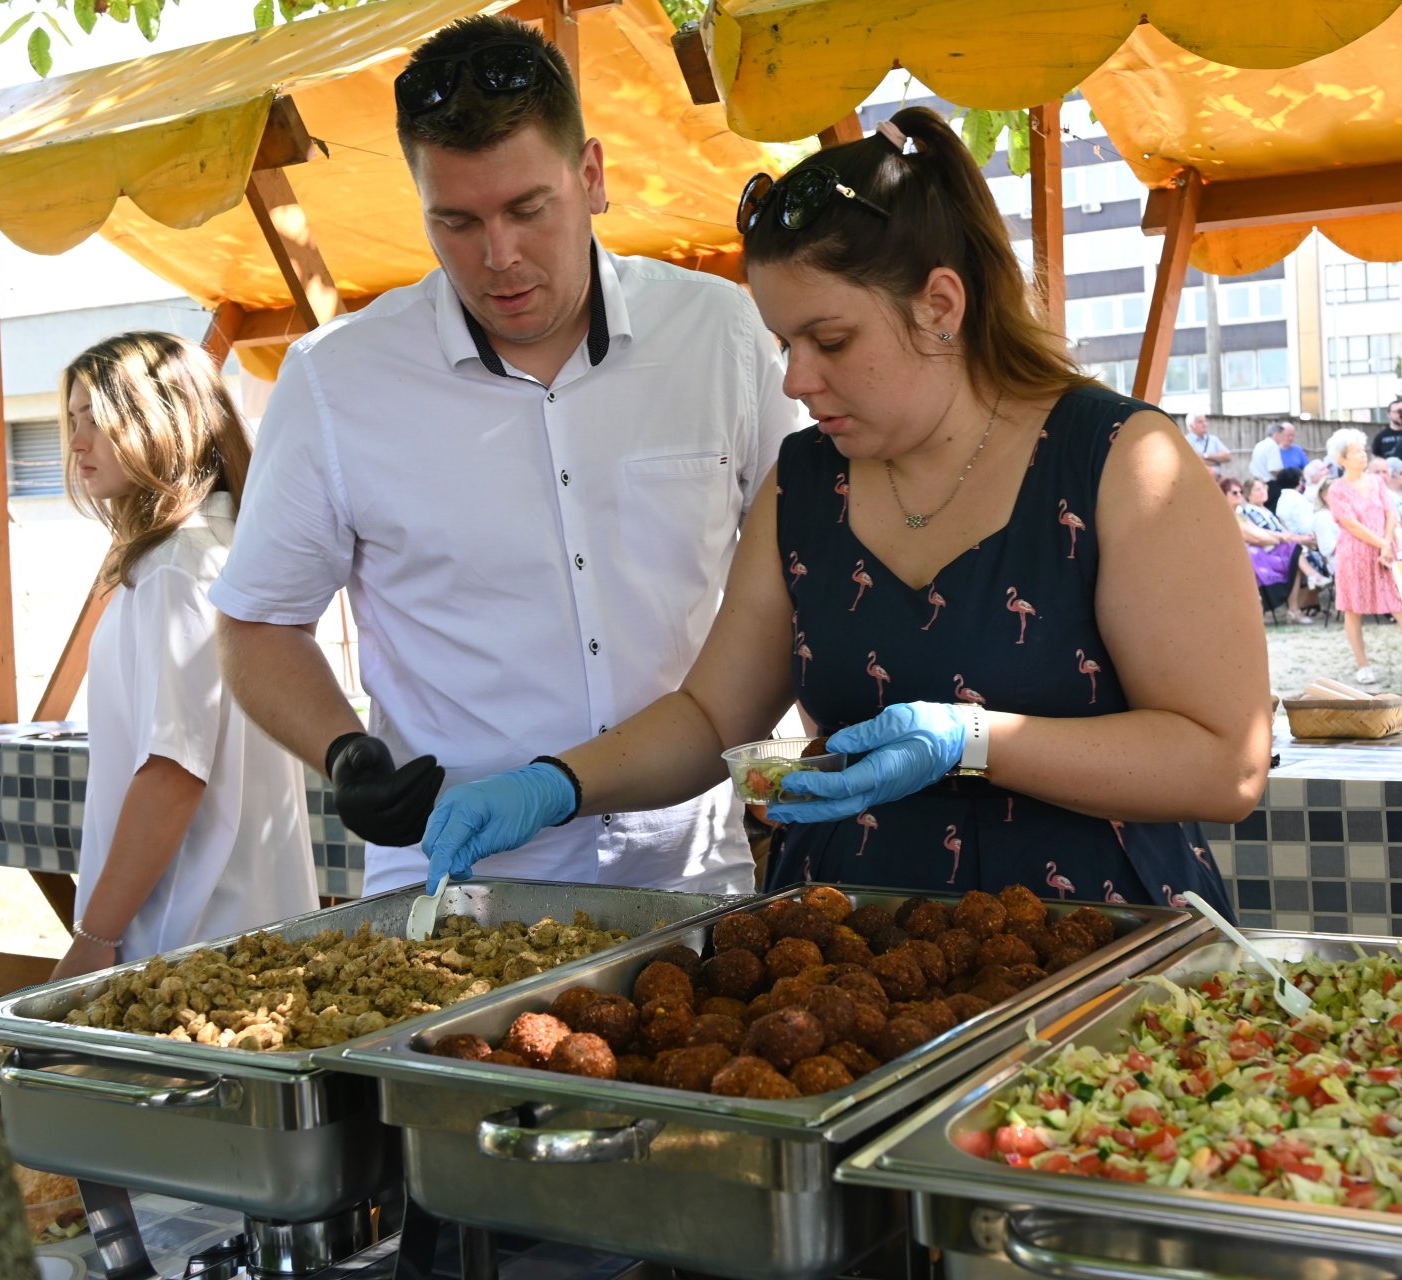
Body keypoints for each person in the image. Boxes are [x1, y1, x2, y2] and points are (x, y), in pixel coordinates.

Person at [414, 107, 1270, 909]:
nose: (795, 379)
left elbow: (1224, 766)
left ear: (940, 306)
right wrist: (558, 783)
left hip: (1097, 948)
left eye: (830, 341)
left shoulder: (1122, 462)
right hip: (846, 953)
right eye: (784, 344)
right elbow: (713, 716)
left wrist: (975, 742)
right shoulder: (805, 483)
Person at [207, 16, 801, 896]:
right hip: (452, 891)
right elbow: (257, 622)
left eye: (529, 209)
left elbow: (808, 569)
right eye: (456, 222)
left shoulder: (726, 335)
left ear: (590, 176)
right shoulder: (338, 378)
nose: (499, 257)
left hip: (685, 874)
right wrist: (344, 752)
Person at [52, 332, 317, 981]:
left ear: (161, 423)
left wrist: (93, 935)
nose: (77, 441)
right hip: (242, 928)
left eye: (99, 419)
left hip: (187, 938)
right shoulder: (226, 548)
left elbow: (174, 771)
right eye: (73, 420)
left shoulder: (177, 565)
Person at [1323, 429, 1402, 686]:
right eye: (1356, 452)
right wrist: (1382, 543)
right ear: (1342, 459)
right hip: (1355, 555)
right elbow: (1351, 524)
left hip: (1385, 553)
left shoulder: (1377, 482)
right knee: (1353, 609)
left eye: (1362, 450)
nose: (1362, 456)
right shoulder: (1336, 490)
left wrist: (1386, 544)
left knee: (1401, 607)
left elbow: (1391, 513)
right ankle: (1363, 666)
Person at [1240, 477, 1323, 620]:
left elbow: (1284, 534)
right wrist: (1301, 539)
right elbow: (1270, 535)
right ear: (1248, 494)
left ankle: (1296, 607)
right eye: (1258, 489)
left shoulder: (1264, 510)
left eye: (1264, 488)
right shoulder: (1250, 511)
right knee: (1297, 552)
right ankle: (1311, 579)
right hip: (1266, 553)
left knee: (1300, 555)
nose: (1263, 492)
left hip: (1281, 548)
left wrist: (1304, 540)